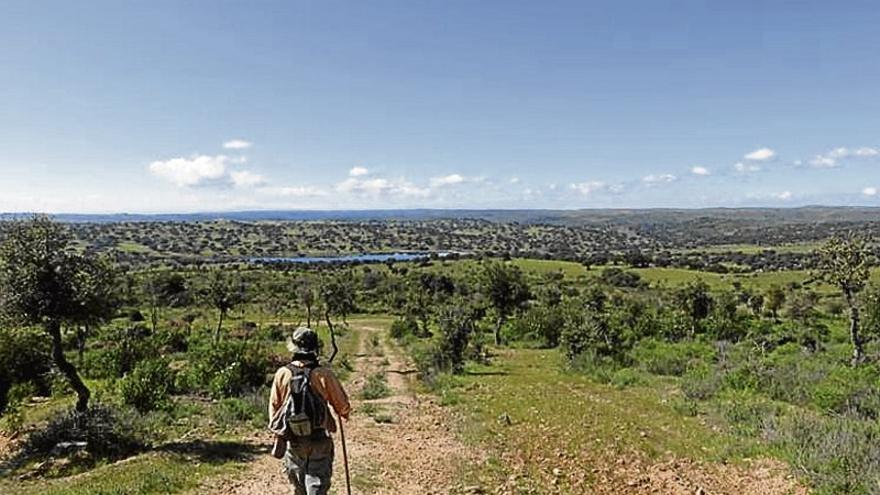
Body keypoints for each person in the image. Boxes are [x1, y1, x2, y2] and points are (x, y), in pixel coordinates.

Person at [269, 327, 351, 495]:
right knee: (317, 486)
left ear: (293, 346)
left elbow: (274, 409)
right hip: (319, 440)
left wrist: (279, 433)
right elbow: (343, 407)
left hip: (294, 441)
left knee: (298, 488)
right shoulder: (323, 374)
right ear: (315, 347)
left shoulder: (282, 374)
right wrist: (343, 412)